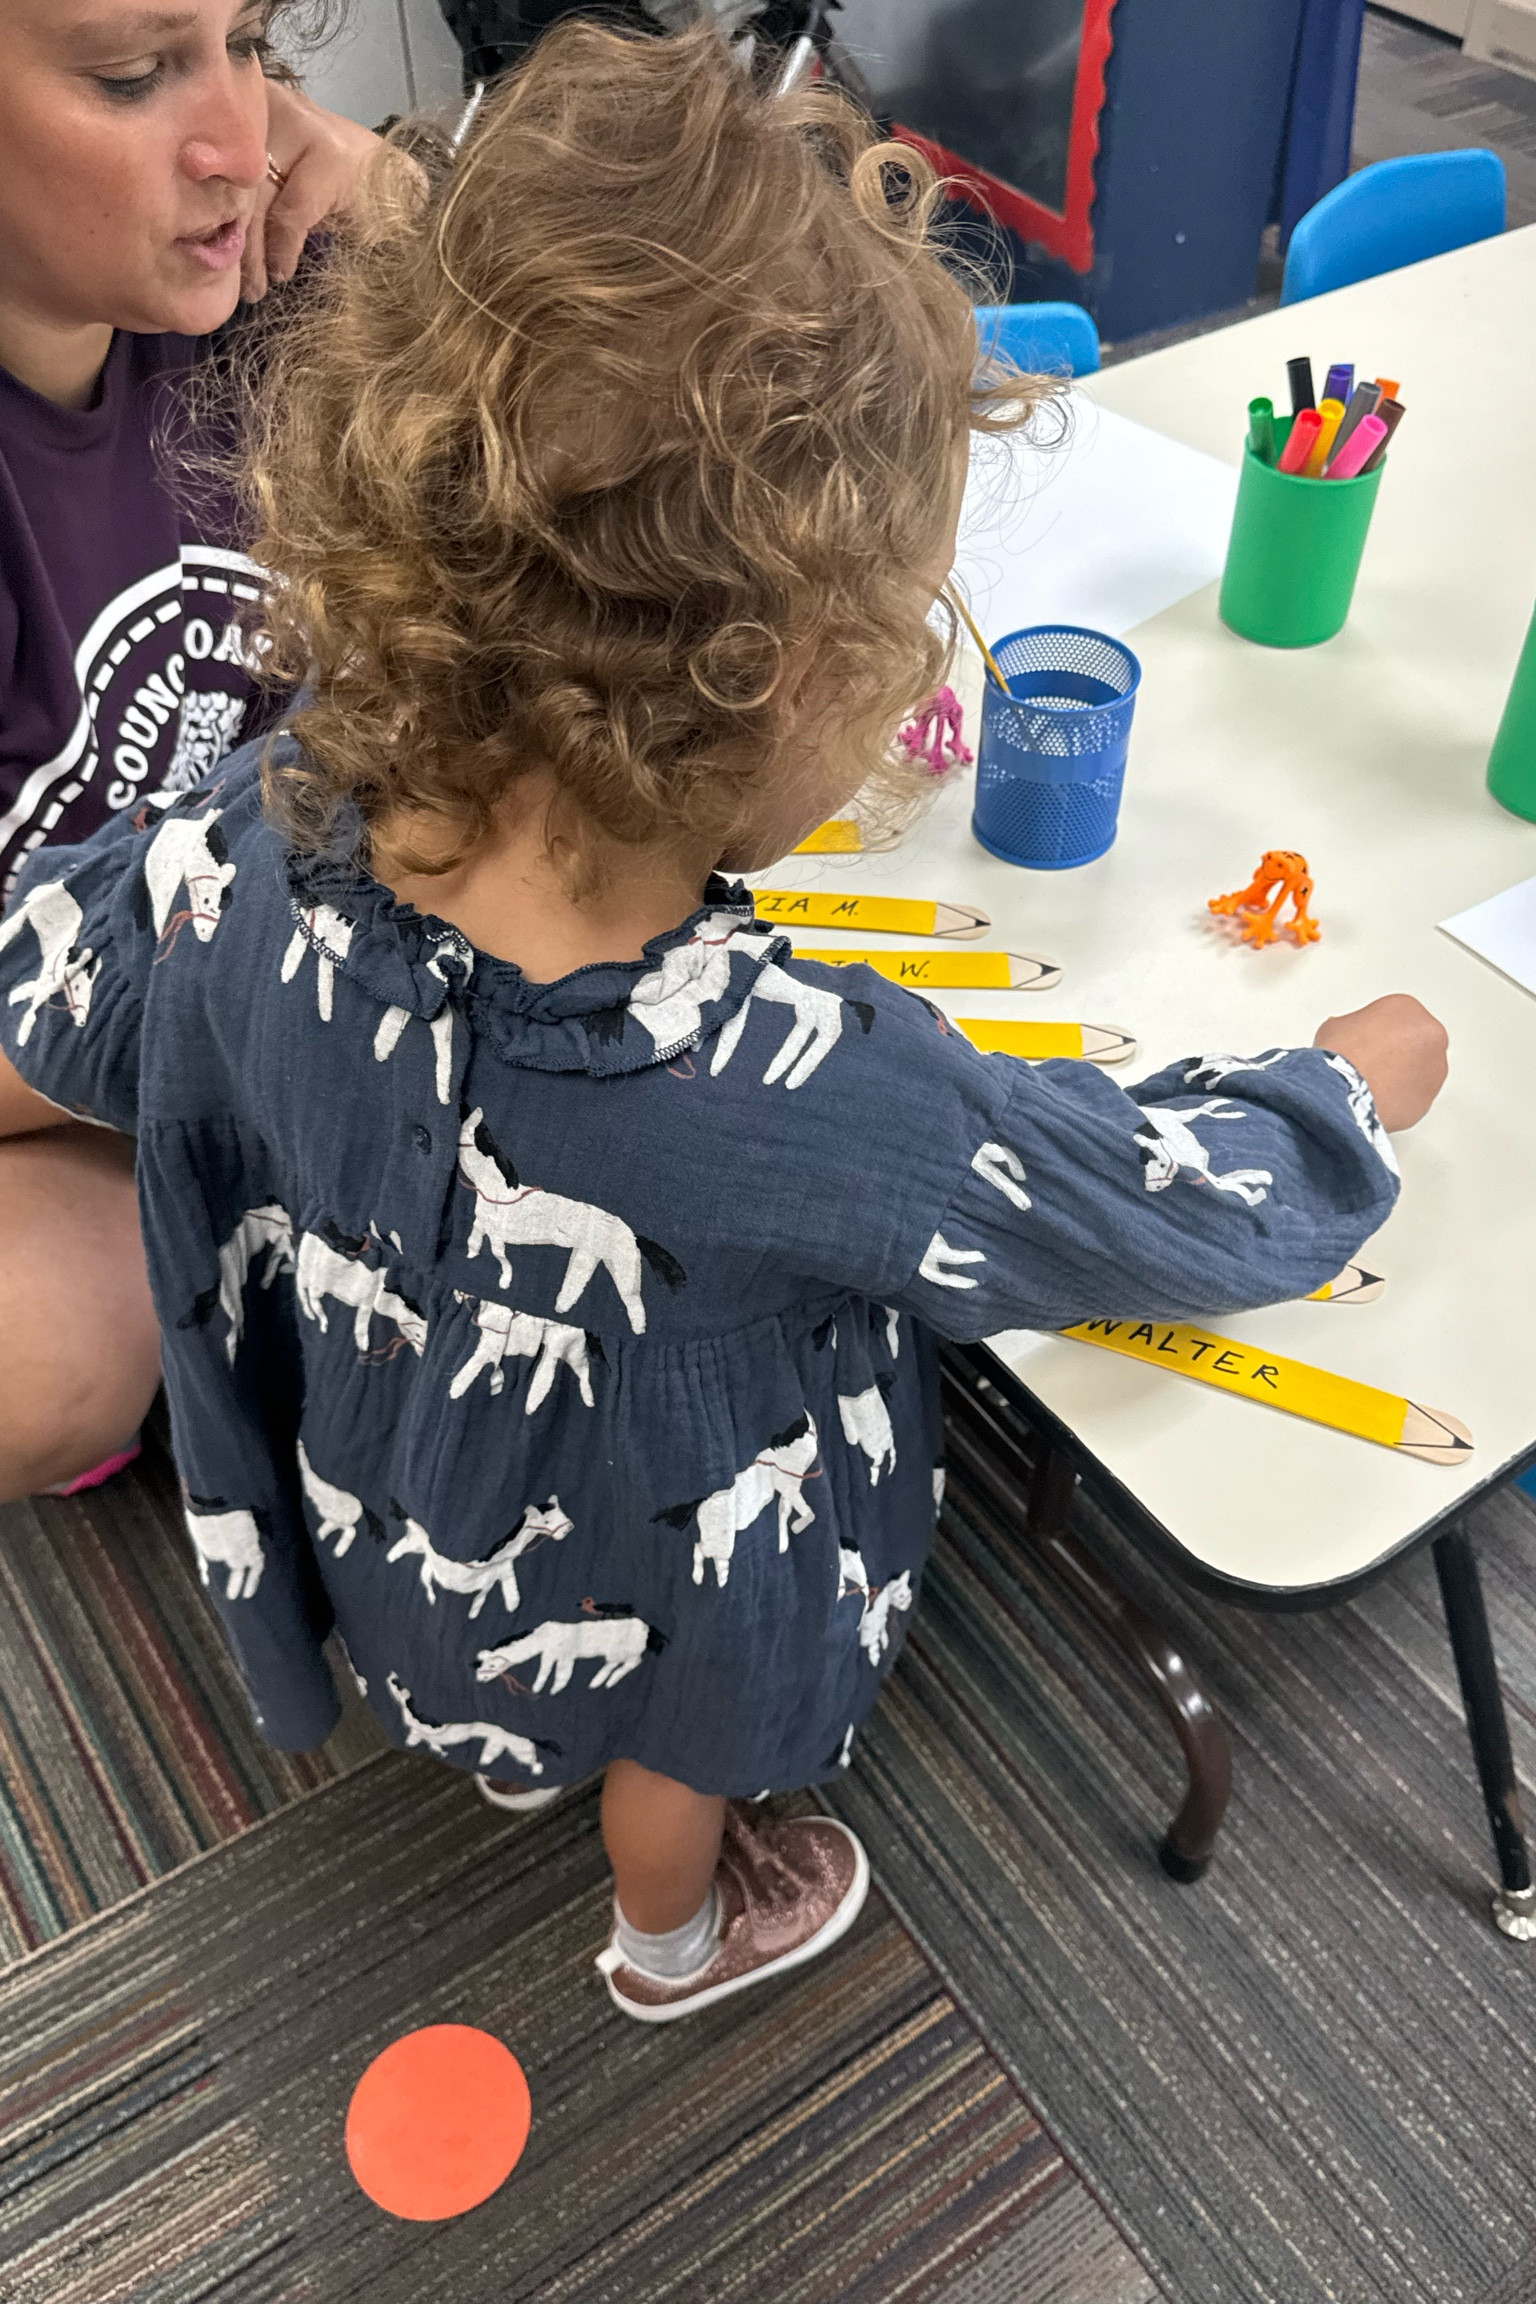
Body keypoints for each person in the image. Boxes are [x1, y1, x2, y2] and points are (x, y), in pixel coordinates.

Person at [0, 20, 1447, 2019]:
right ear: (779, 694)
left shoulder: (239, 836)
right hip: (659, 1596)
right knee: (689, 1738)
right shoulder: (800, 1074)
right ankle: (670, 1932)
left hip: (411, 1539)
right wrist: (1344, 1096)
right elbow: (1119, 1200)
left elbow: (45, 969)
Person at [0, 0, 391, 1494]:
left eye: (249, 37)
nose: (243, 143)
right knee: (48, 1344)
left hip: (279, 982)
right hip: (59, 1089)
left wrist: (410, 214)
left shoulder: (263, 278)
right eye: (134, 73)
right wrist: (245, 1015)